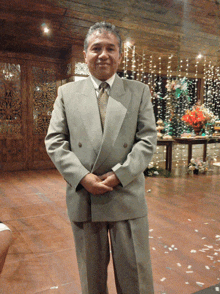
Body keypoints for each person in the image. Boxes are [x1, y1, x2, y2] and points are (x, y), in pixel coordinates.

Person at [45, 21, 157, 294]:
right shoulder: (66, 94)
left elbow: (147, 139)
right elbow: (55, 141)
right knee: (91, 279)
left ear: (120, 55)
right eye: (96, 48)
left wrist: (120, 174)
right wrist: (83, 177)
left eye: (111, 48)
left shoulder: (138, 91)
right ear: (85, 54)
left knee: (136, 277)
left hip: (126, 193)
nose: (103, 54)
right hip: (85, 196)